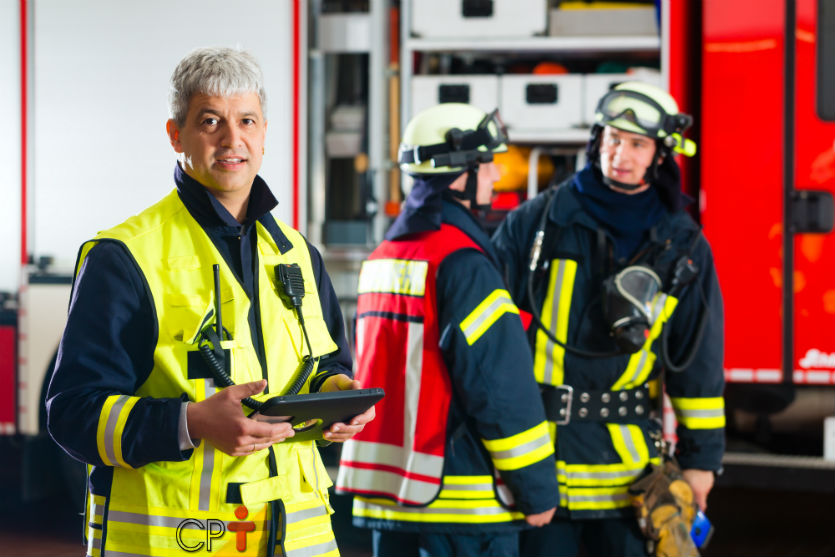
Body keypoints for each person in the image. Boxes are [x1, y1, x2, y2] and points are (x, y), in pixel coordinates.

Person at [46, 47, 373, 557]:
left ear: (265, 131)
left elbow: (325, 365)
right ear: (176, 135)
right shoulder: (123, 256)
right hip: (176, 542)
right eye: (210, 121)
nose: (231, 139)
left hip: (296, 540)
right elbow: (72, 414)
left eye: (246, 120)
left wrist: (336, 396)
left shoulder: (297, 253)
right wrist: (192, 423)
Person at [492, 81, 725, 557]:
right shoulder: (536, 224)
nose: (621, 153)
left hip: (632, 482)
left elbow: (697, 360)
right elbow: (492, 346)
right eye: (613, 139)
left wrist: (701, 461)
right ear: (596, 140)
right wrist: (498, 451)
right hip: (542, 472)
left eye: (637, 144)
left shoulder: (681, 245)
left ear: (660, 155)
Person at [335, 103, 559, 557]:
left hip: (389, 506)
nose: (496, 174)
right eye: (487, 163)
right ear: (457, 175)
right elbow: (498, 387)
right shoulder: (463, 263)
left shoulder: (384, 256)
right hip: (462, 508)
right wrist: (537, 490)